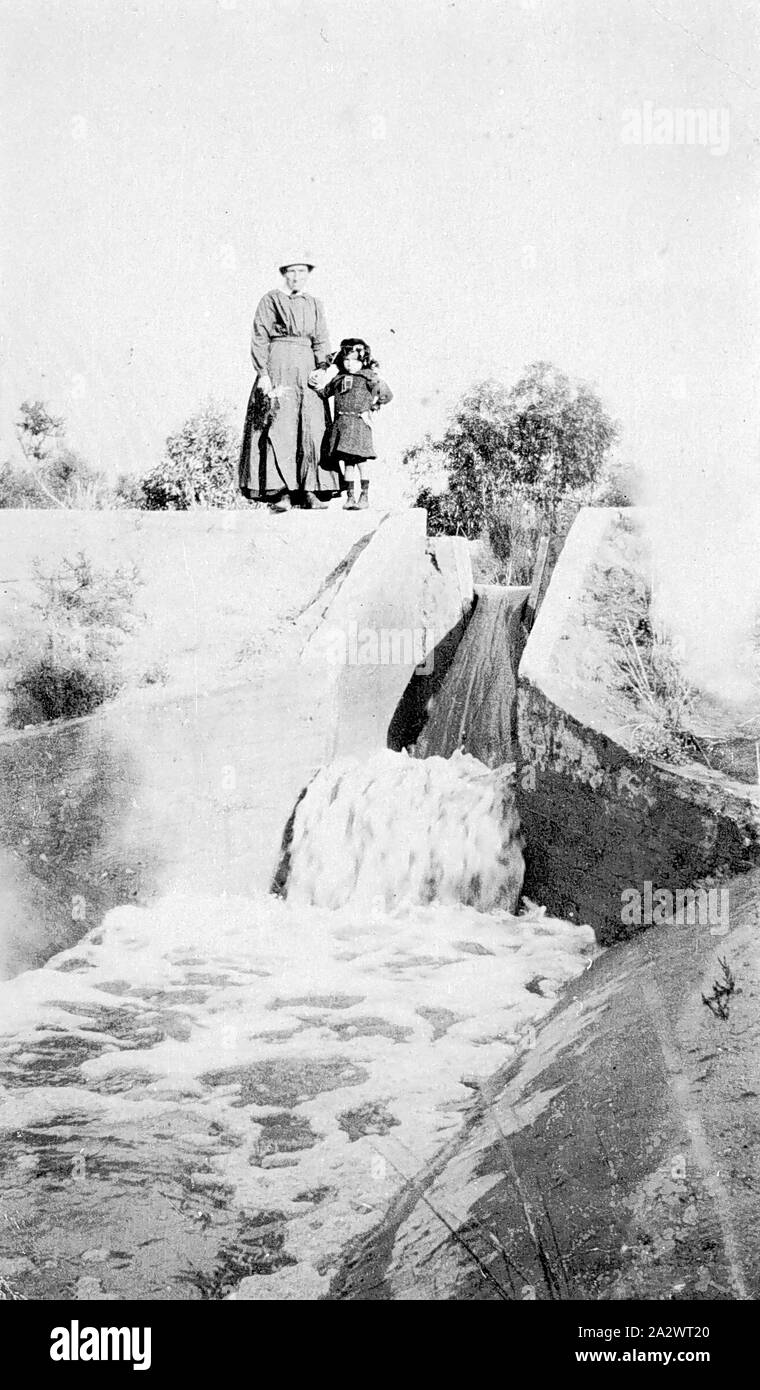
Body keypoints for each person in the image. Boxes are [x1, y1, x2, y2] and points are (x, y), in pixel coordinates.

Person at [238, 259, 342, 511]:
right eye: (292, 271)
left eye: (302, 271)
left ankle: (310, 489)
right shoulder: (270, 300)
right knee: (279, 425)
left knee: (312, 426)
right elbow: (260, 336)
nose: (296, 276)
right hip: (278, 367)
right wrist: (263, 374)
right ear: (284, 273)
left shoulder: (314, 303)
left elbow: (322, 339)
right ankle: (280, 492)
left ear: (308, 274)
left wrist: (322, 368)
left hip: (307, 370)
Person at [318, 339, 393, 509]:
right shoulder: (338, 379)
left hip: (359, 425)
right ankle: (350, 498)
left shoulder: (368, 377)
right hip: (342, 426)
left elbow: (386, 394)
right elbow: (324, 393)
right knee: (348, 464)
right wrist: (314, 387)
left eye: (354, 361)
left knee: (361, 463)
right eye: (346, 360)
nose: (349, 364)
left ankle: (364, 497)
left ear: (363, 361)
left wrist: (372, 407)